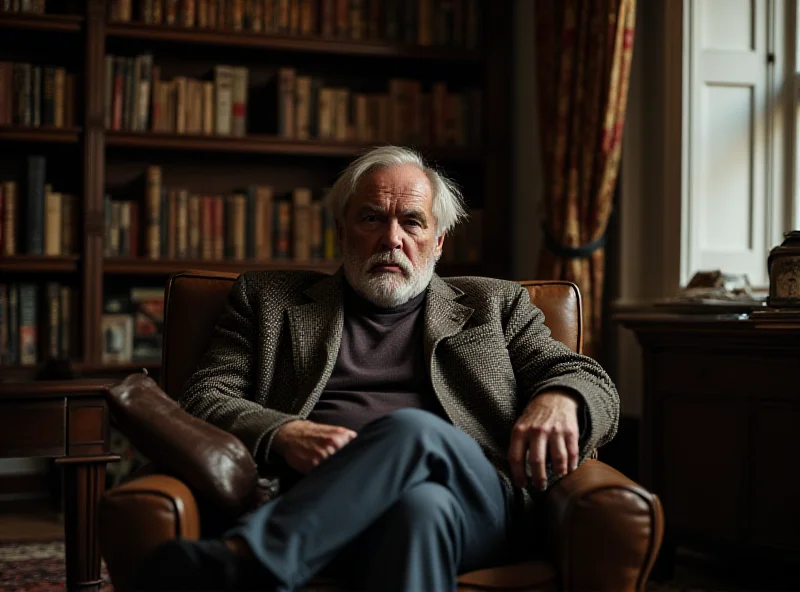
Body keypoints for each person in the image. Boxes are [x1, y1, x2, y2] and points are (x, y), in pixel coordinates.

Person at [134, 146, 619, 592]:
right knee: (420, 510)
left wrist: (561, 398)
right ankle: (270, 551)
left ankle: (247, 559)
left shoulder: (496, 305)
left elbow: (592, 381)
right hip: (324, 503)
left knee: (413, 431)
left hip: (480, 503)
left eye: (412, 222)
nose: (393, 239)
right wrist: (285, 433)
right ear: (343, 231)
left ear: (438, 241)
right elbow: (204, 396)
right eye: (372, 218)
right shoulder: (267, 301)